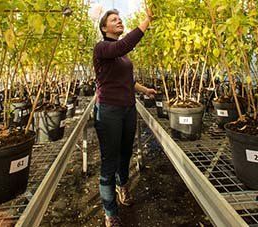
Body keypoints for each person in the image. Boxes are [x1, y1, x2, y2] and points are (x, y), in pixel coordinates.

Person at [93, 6, 156, 227]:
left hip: (128, 109)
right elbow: (124, 45)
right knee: (109, 161)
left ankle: (123, 186)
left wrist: (144, 90)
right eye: (113, 19)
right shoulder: (102, 48)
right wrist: (146, 21)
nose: (119, 21)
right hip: (109, 111)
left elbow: (126, 80)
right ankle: (110, 212)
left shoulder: (121, 56)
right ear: (104, 27)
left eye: (120, 18)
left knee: (125, 153)